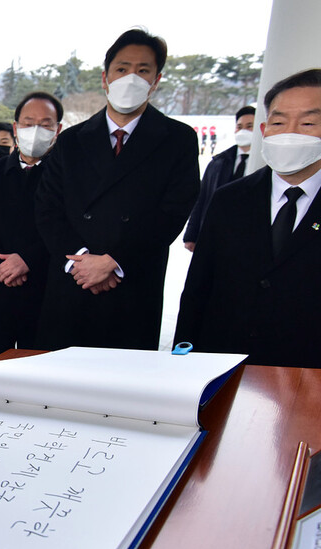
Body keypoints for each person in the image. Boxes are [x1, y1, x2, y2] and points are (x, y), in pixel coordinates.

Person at [175, 69, 321, 372]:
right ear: (265, 128)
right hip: (222, 370)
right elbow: (197, 291)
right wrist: (183, 363)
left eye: (307, 123)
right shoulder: (229, 200)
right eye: (279, 122)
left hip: (312, 381)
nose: (289, 133)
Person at [35, 28, 199, 351]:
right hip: (73, 281)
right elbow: (47, 209)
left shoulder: (178, 139)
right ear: (105, 77)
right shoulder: (71, 140)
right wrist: (83, 262)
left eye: (143, 71)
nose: (131, 78)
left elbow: (174, 211)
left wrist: (115, 260)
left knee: (123, 385)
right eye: (122, 69)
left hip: (132, 281)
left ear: (156, 80)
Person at [0, 92, 61, 361]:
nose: (35, 130)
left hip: (46, 293)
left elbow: (67, 229)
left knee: (42, 367)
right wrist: (0, 266)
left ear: (58, 130)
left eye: (45, 124)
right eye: (28, 122)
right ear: (15, 127)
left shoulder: (66, 177)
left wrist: (28, 260)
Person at [183, 106, 256, 251]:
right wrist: (191, 234)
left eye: (249, 126)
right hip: (215, 233)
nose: (243, 131)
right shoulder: (218, 162)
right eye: (239, 126)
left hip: (246, 237)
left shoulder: (264, 164)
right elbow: (202, 197)